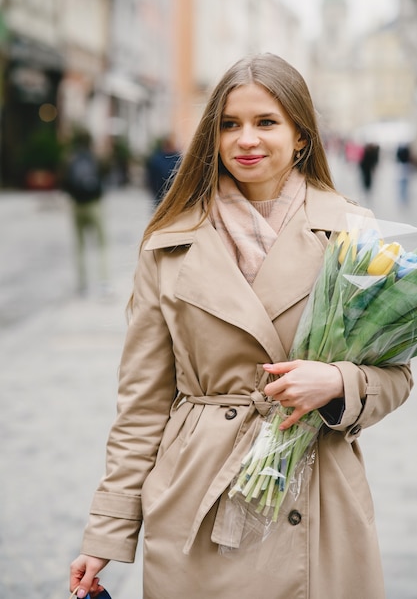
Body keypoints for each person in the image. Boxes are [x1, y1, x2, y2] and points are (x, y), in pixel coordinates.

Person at [69, 54, 412, 599]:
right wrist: (105, 534)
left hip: (317, 494)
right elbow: (141, 404)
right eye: (229, 124)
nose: (245, 139)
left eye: (266, 122)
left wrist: (338, 384)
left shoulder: (351, 232)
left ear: (301, 135)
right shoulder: (169, 241)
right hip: (198, 496)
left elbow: (396, 375)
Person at [63, 129, 110, 296]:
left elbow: (64, 181)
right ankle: (104, 282)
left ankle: (82, 285)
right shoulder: (95, 157)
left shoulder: (70, 158)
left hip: (77, 206)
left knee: (80, 245)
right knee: (102, 243)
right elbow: (105, 174)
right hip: (94, 204)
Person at [144, 135, 181, 206]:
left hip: (159, 194)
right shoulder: (178, 159)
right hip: (174, 196)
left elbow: (150, 177)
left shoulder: (156, 159)